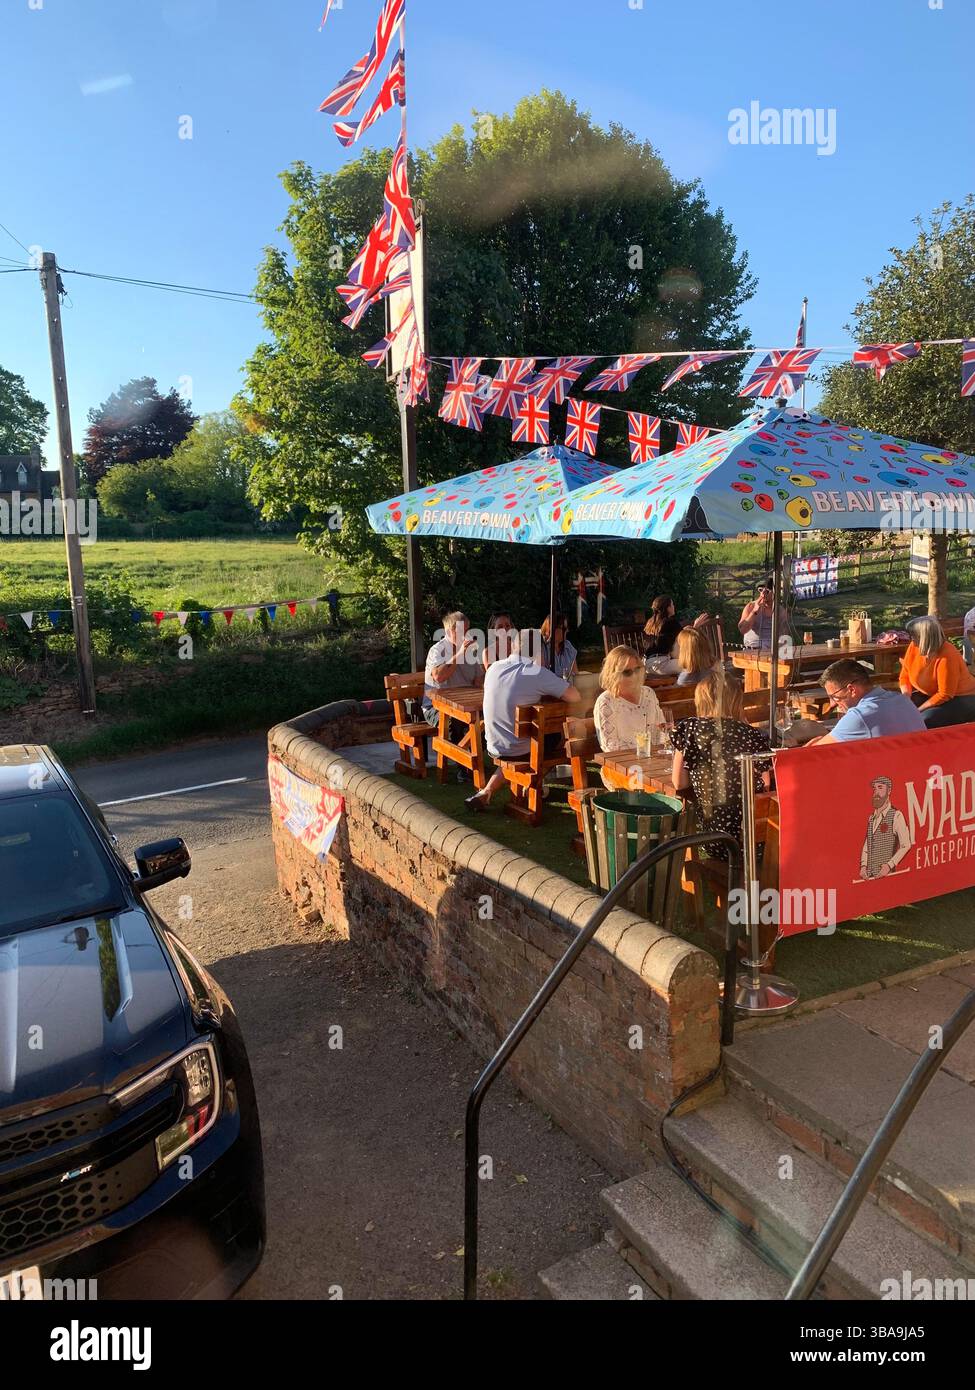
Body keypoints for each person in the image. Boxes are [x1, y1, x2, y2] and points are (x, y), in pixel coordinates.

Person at [465, 628, 580, 811]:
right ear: (539, 651)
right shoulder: (536, 673)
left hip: (495, 746)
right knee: (563, 736)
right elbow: (575, 696)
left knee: (523, 742)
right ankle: (533, 782)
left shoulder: (494, 667)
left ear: (514, 646)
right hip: (521, 748)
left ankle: (486, 792)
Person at [670, 671, 773, 859]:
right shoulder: (751, 735)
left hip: (715, 841)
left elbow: (679, 783)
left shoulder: (689, 729)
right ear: (736, 701)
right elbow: (765, 784)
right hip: (752, 844)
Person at [803, 659, 926, 745]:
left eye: (834, 697)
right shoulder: (903, 700)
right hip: (918, 775)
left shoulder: (860, 716)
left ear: (851, 689)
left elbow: (813, 752)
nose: (832, 704)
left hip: (887, 780)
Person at [593, 646, 667, 785]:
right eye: (627, 672)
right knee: (654, 788)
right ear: (613, 673)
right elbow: (610, 746)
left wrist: (662, 752)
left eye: (637, 669)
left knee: (679, 779)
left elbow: (662, 729)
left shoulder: (648, 693)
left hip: (653, 765)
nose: (634, 675)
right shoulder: (606, 701)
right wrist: (643, 752)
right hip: (619, 768)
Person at [899, 615, 975, 729]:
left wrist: (918, 710)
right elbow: (904, 676)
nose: (911, 640)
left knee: (924, 720)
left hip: (961, 698)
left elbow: (945, 694)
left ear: (925, 638)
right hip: (931, 694)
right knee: (899, 711)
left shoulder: (947, 655)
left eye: (914, 636)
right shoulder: (914, 646)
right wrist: (906, 698)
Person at [422, 610, 481, 726]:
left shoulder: (471, 650)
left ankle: (477, 744)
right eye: (461, 631)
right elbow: (439, 677)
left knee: (488, 716)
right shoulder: (437, 650)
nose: (465, 635)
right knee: (455, 721)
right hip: (436, 707)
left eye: (467, 630)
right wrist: (460, 654)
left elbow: (478, 680)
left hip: (465, 704)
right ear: (449, 631)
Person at [859, 776, 912, 881]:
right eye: (874, 788)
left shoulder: (896, 815)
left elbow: (906, 845)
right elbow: (867, 846)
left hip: (888, 878)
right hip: (870, 878)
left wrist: (889, 865)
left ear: (889, 791)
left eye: (880, 787)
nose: (876, 792)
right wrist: (863, 866)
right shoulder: (871, 818)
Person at [738, 577, 790, 650]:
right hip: (753, 647)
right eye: (760, 590)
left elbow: (785, 635)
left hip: (773, 649)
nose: (762, 594)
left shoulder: (780, 610)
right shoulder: (750, 606)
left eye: (767, 591)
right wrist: (754, 612)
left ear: (775, 592)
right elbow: (742, 630)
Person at [643, 595, 684, 675]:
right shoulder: (671, 622)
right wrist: (695, 626)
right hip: (660, 664)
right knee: (691, 665)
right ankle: (680, 686)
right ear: (668, 608)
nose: (674, 606)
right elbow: (686, 637)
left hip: (646, 663)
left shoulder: (651, 622)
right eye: (672, 604)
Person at [540, 613, 578, 678]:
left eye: (566, 628)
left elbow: (576, 674)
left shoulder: (568, 646)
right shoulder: (541, 647)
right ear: (551, 628)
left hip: (567, 687)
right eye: (563, 628)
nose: (567, 630)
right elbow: (540, 678)